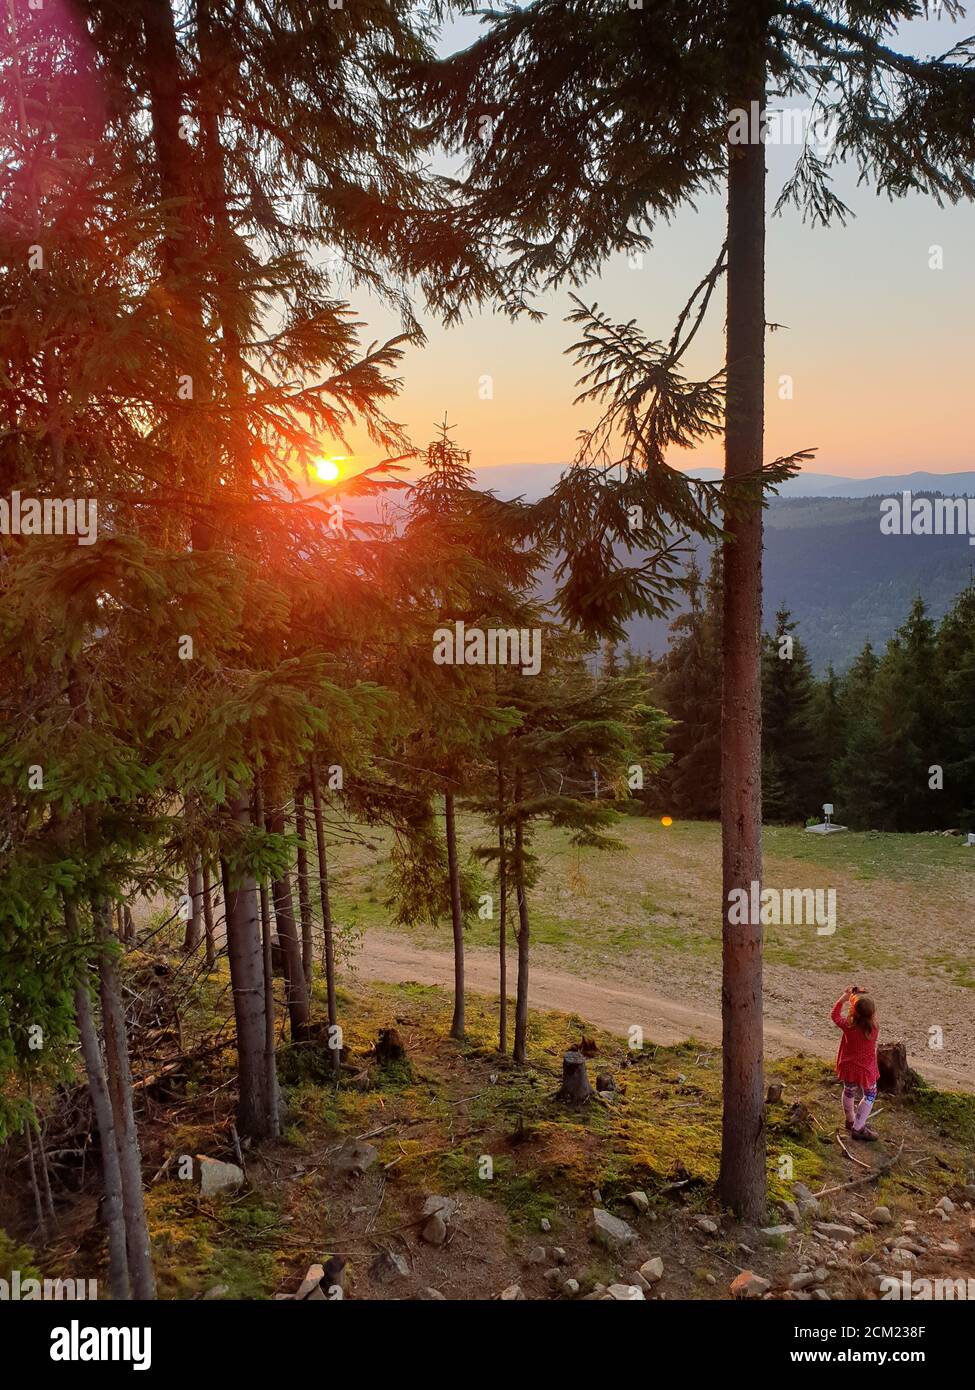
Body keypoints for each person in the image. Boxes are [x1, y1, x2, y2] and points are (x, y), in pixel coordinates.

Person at [831, 984, 880, 1142]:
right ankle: (858, 1127)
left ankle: (850, 1120)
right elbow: (862, 1009)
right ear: (872, 1014)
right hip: (865, 1070)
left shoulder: (848, 1026)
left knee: (849, 1090)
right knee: (870, 1094)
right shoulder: (874, 1028)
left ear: (853, 1011)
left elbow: (834, 1015)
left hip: (848, 1066)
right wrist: (855, 997)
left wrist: (846, 997)